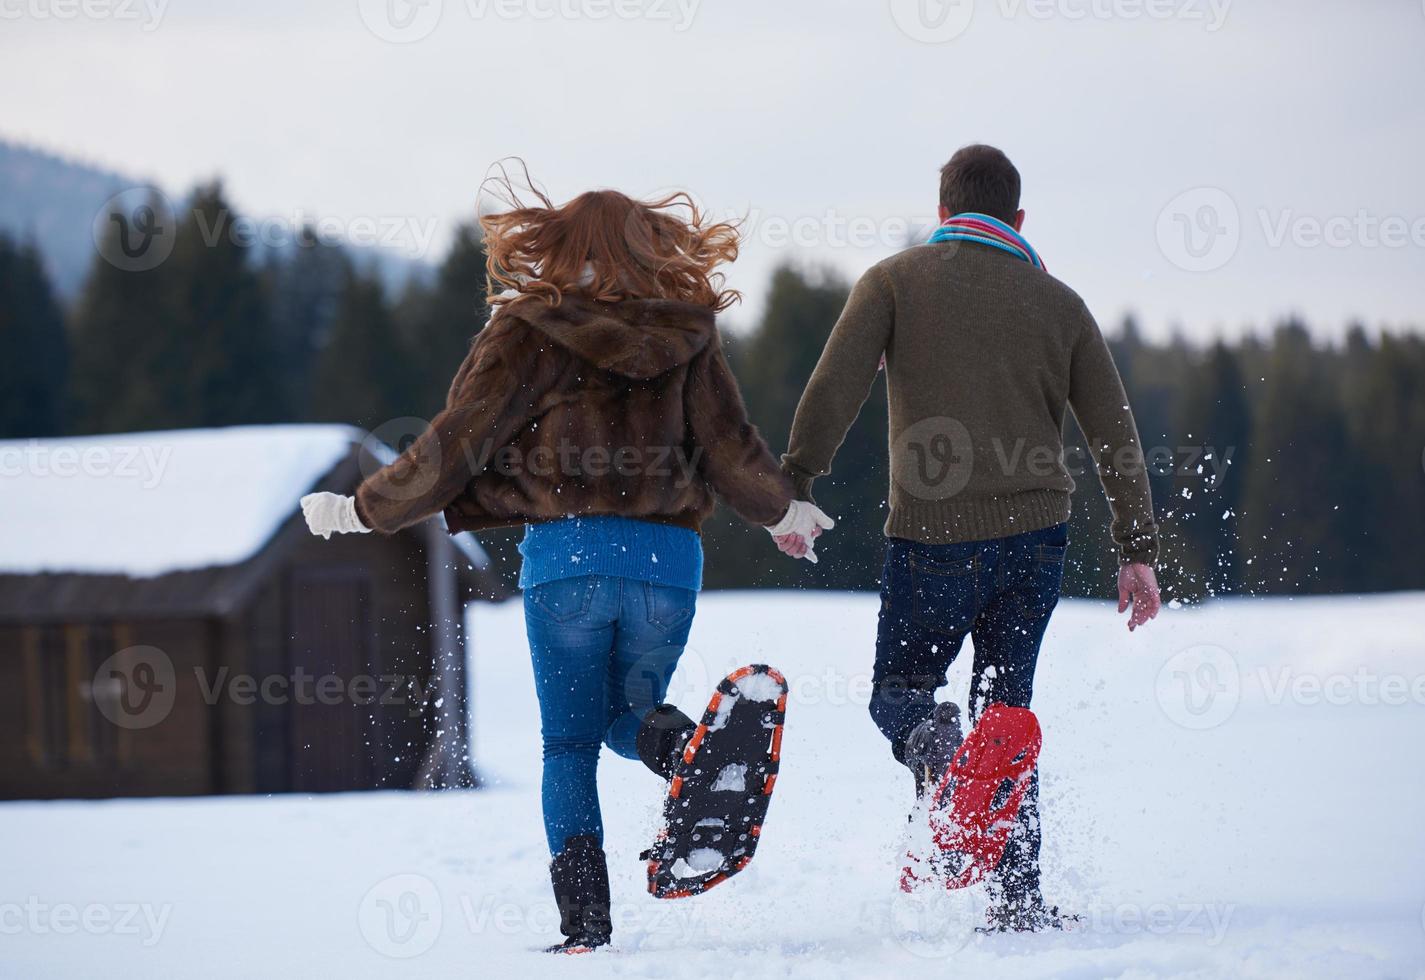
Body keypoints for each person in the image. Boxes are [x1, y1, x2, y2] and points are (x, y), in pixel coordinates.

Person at [300, 180, 832, 953]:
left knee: (569, 744)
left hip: (568, 558)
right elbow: (729, 444)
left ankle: (585, 926)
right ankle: (687, 752)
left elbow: (457, 442)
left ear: (555, 244)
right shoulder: (688, 334)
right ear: (650, 246)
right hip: (666, 560)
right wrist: (783, 510)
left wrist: (362, 507)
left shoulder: (527, 328)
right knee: (628, 710)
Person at [781, 144, 1162, 931]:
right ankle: (1017, 899)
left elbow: (834, 385)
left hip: (931, 537)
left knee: (901, 697)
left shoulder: (893, 282)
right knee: (1005, 714)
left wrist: (795, 483)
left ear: (944, 212)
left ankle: (944, 763)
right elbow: (1113, 434)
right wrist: (1137, 550)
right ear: (1018, 219)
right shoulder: (1059, 302)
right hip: (1036, 540)